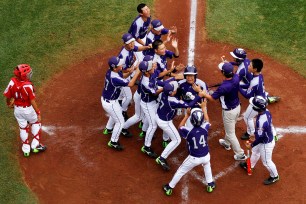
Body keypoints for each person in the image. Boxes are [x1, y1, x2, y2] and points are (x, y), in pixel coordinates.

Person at [163, 101, 215, 196]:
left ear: (192, 121)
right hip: (206, 155)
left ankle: (169, 187)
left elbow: (180, 127)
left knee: (181, 171)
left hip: (194, 158)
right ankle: (210, 184)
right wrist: (204, 109)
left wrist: (186, 115)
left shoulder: (188, 131)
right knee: (207, 165)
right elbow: (207, 121)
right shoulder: (205, 128)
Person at [196, 62, 246, 161]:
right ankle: (227, 143)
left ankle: (240, 154)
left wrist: (200, 92)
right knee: (230, 129)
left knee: (231, 133)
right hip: (237, 108)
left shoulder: (223, 87)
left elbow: (211, 98)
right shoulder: (236, 77)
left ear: (223, 72)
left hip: (229, 112)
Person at [155, 80, 201, 171]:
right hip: (165, 122)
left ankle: (165, 140)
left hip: (159, 115)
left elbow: (164, 84)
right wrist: (198, 95)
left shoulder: (165, 92)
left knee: (168, 129)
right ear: (172, 92)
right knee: (177, 140)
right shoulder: (173, 101)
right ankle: (161, 158)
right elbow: (189, 105)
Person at [3, 64, 46, 157]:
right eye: (28, 73)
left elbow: (8, 95)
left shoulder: (12, 81)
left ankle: (26, 150)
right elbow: (32, 101)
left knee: (23, 128)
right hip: (28, 110)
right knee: (35, 123)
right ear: (23, 75)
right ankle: (35, 146)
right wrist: (38, 112)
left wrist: (8, 103)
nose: (29, 74)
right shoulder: (28, 86)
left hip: (17, 110)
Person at [101, 56, 140, 150]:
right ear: (115, 67)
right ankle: (113, 141)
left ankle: (108, 128)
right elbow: (130, 84)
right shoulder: (114, 79)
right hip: (110, 103)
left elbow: (122, 77)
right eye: (120, 65)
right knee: (120, 121)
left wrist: (130, 71)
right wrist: (137, 72)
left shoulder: (110, 71)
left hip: (107, 100)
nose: (122, 65)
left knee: (115, 114)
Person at [239, 96, 280, 185]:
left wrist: (252, 144)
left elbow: (261, 138)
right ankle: (249, 165)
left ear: (256, 108)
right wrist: (255, 135)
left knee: (266, 162)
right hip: (264, 137)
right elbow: (261, 133)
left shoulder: (261, 121)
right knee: (255, 152)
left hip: (265, 143)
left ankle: (274, 176)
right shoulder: (266, 112)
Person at [239, 59, 278, 140]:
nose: (248, 66)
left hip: (258, 102)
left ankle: (251, 133)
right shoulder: (259, 75)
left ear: (255, 69)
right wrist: (239, 85)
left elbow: (247, 95)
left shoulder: (255, 81)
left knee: (247, 118)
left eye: (250, 66)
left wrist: (238, 88)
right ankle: (272, 133)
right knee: (261, 116)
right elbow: (249, 85)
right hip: (263, 99)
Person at [117, 33, 150, 121]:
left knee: (122, 95)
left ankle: (119, 100)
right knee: (128, 97)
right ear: (124, 44)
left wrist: (147, 47)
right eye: (129, 43)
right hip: (122, 77)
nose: (132, 44)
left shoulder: (130, 48)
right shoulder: (123, 56)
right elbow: (120, 70)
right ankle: (122, 111)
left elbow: (138, 48)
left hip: (127, 73)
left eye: (132, 42)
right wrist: (132, 69)